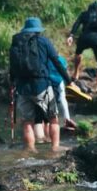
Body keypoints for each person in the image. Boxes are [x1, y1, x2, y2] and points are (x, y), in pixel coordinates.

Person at [9, 17, 72, 152]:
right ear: (39, 30)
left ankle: (30, 149)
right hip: (41, 86)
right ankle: (55, 147)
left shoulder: (17, 43)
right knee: (53, 118)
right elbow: (56, 61)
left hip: (22, 88)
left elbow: (12, 67)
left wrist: (12, 83)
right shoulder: (44, 41)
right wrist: (70, 81)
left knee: (27, 121)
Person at [66, 0, 97, 93]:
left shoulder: (86, 14)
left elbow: (77, 24)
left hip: (86, 37)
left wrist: (71, 36)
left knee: (78, 52)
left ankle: (76, 74)